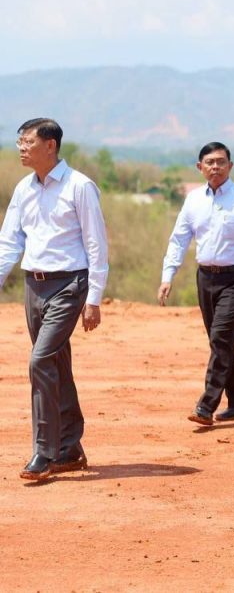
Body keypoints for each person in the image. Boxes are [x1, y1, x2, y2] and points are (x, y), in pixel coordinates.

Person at [0, 118, 108, 481]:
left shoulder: (80, 186)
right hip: (34, 285)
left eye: (28, 141)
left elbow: (96, 244)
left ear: (51, 145)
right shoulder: (24, 189)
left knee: (40, 360)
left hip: (69, 285)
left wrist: (94, 298)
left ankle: (44, 452)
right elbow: (9, 241)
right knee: (55, 363)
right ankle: (70, 448)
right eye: (19, 141)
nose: (21, 147)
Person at [158, 142, 234, 427]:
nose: (215, 167)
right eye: (210, 162)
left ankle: (206, 405)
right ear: (200, 167)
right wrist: (167, 275)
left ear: (230, 166)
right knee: (221, 340)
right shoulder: (193, 200)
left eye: (221, 162)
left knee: (221, 337)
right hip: (206, 278)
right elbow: (179, 239)